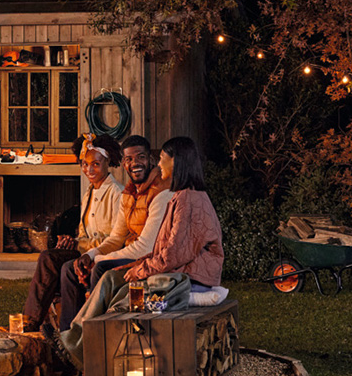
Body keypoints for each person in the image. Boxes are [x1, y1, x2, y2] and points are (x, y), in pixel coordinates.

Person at [59, 136, 223, 363]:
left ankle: (86, 347)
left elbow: (172, 255)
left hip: (193, 274)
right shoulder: (181, 196)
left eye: (162, 159)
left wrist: (140, 269)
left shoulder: (186, 199)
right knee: (109, 278)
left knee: (115, 285)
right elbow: (163, 249)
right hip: (177, 268)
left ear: (176, 162)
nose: (159, 164)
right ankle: (74, 339)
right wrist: (132, 264)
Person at [55, 134, 173, 331]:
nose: (135, 163)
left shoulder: (160, 192)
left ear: (151, 160)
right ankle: (67, 334)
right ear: (123, 163)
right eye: (129, 159)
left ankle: (95, 333)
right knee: (70, 268)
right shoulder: (129, 193)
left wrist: (99, 259)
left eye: (141, 157)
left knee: (101, 269)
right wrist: (89, 255)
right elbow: (116, 237)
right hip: (130, 255)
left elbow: (146, 247)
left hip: (149, 259)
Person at [19, 134, 123, 332]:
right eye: (85, 164)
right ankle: (30, 322)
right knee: (48, 257)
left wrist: (81, 246)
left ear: (107, 162)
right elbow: (84, 232)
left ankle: (58, 329)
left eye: (95, 164)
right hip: (84, 250)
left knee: (62, 264)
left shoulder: (117, 193)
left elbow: (116, 239)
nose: (89, 170)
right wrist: (71, 241)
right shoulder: (89, 192)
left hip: (102, 254)